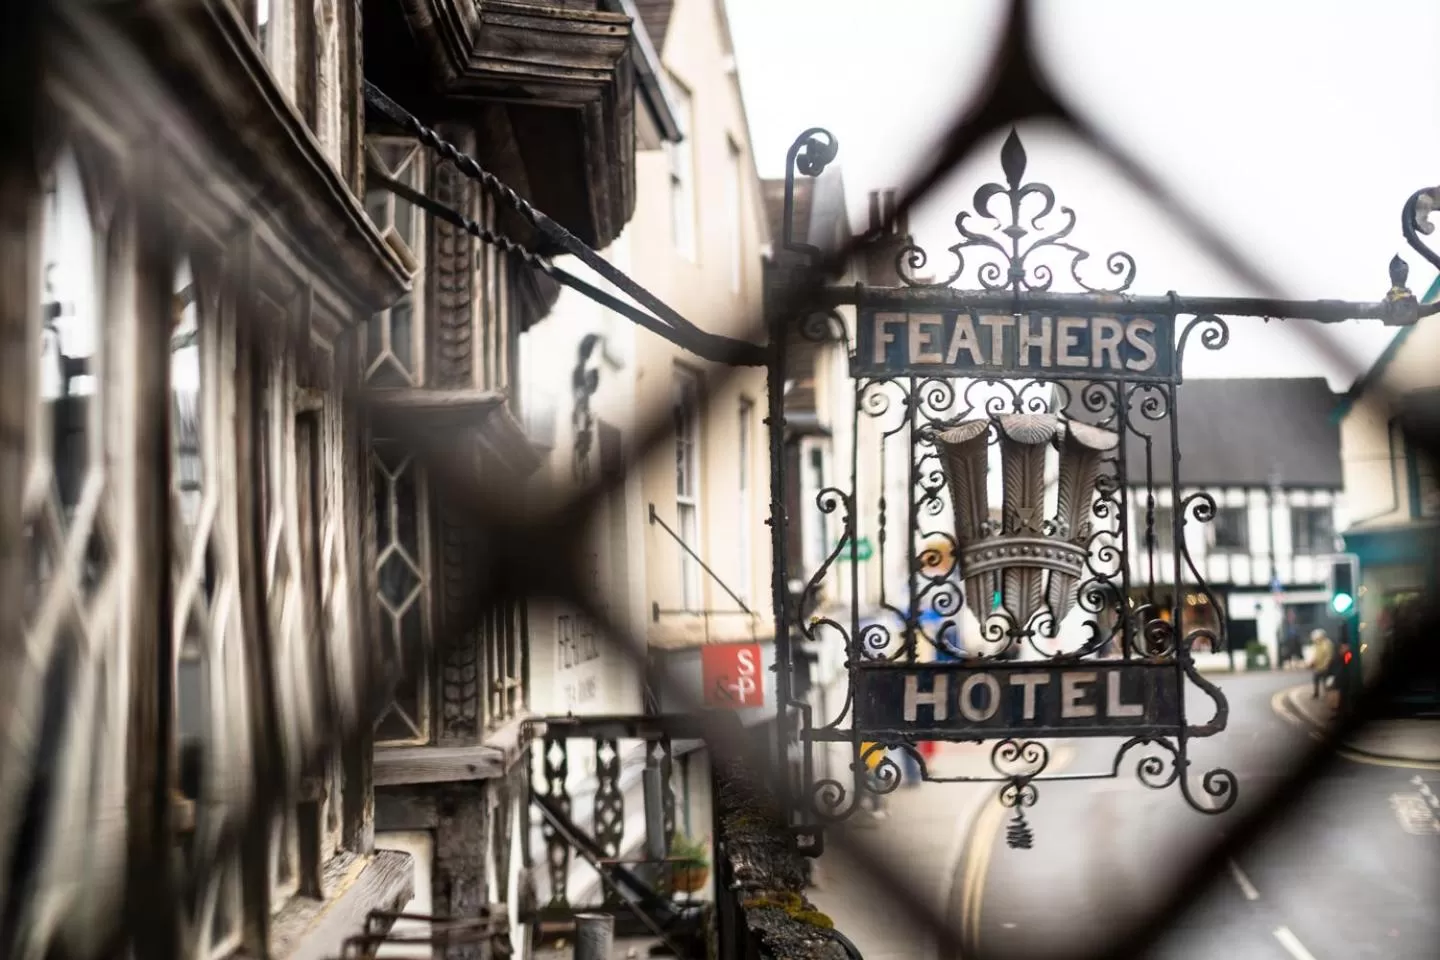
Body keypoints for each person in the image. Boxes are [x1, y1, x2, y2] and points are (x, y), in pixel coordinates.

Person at [1310, 628, 1334, 699]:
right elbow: (1316, 654)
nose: (1315, 639)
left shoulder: (1327, 643)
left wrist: (1327, 664)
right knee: (1316, 679)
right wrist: (1313, 661)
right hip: (1318, 667)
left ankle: (1326, 695)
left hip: (1325, 666)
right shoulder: (1317, 644)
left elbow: (1328, 655)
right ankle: (1316, 693)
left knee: (1325, 681)